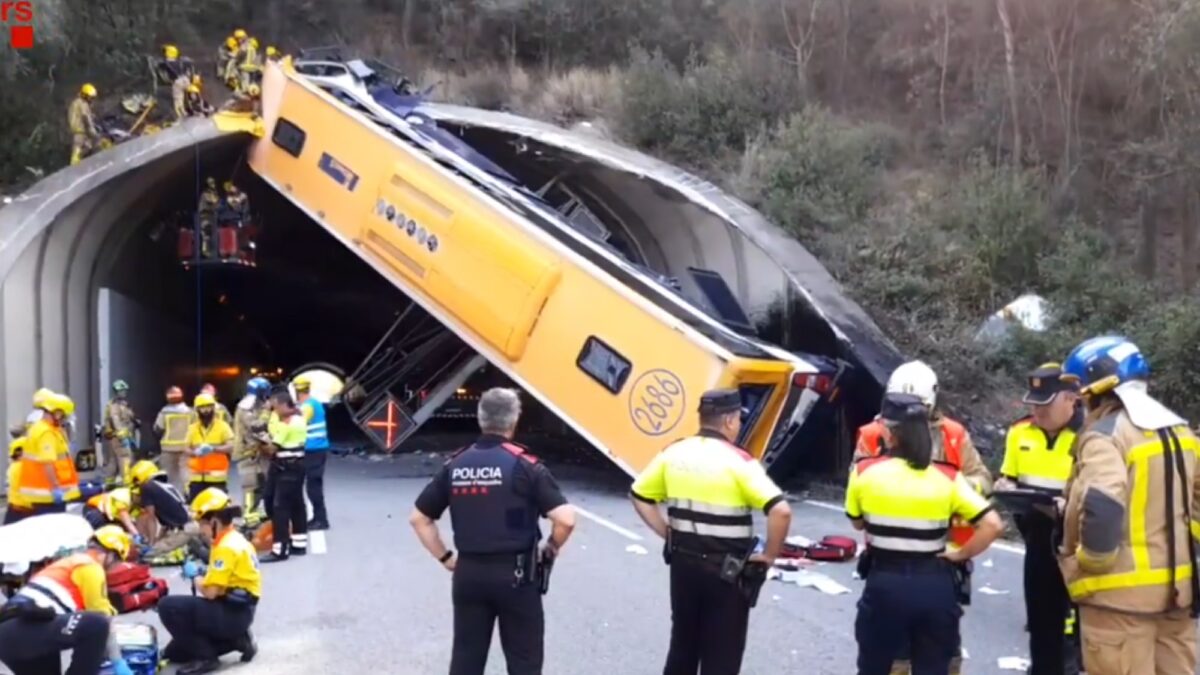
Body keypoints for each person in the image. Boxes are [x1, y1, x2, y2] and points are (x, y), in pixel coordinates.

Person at [1058, 336, 1199, 675]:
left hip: (1117, 603)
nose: (1080, 400)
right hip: (1176, 596)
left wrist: (1090, 561)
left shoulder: (1104, 436)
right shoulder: (1179, 431)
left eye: (1082, 390)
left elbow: (1103, 501)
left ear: (1100, 386)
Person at [410, 387, 575, 675]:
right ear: (515, 420)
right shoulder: (525, 466)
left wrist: (446, 558)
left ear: (480, 418)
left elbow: (419, 518)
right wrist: (551, 547)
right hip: (517, 576)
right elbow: (566, 520)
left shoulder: (456, 464)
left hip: (469, 575)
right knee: (524, 661)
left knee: (466, 658)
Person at [629, 388, 790, 675]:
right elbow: (780, 510)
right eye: (738, 420)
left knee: (683, 646)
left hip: (683, 566)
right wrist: (768, 556)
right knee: (722, 654)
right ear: (729, 421)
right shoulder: (739, 462)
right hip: (726, 573)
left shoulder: (673, 452)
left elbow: (639, 495)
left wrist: (667, 531)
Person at [850, 392, 1004, 674]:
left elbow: (858, 523)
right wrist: (959, 554)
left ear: (888, 432)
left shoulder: (864, 472)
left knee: (875, 666)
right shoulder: (948, 476)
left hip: (884, 583)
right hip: (935, 584)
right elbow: (992, 524)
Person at [995, 363, 1083, 675]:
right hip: (1036, 537)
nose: (1037, 411)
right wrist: (1004, 487)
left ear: (1071, 399)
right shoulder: (1020, 432)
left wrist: (1067, 505)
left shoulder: (1090, 436)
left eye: (1045, 404)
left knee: (1080, 633)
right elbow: (1009, 476)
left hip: (1079, 544)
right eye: (1033, 403)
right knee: (1042, 624)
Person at [0, 526, 135, 675]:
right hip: (26, 630)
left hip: (12, 635)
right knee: (97, 624)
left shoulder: (67, 563)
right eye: (115, 563)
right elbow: (102, 619)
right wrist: (117, 661)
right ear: (108, 555)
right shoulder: (90, 567)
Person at [158, 487, 259, 674]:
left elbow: (211, 592)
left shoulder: (225, 548)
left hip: (232, 612)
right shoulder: (234, 538)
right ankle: (237, 640)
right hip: (239, 610)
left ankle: (206, 658)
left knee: (168, 606)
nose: (201, 530)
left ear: (214, 521)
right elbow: (225, 578)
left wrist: (195, 575)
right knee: (174, 653)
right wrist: (205, 571)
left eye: (202, 524)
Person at [12, 393, 80, 520]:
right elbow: (48, 463)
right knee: (51, 532)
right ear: (57, 413)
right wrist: (55, 488)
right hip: (47, 495)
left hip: (43, 493)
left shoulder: (45, 428)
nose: (64, 420)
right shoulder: (46, 432)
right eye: (64, 416)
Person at [261, 391, 308, 562]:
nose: (273, 408)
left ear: (282, 404)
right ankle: (299, 543)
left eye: (274, 405)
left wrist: (261, 442)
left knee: (279, 506)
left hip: (287, 467)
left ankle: (280, 549)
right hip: (293, 465)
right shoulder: (298, 418)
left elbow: (273, 448)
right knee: (296, 504)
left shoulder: (290, 422)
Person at [129, 459, 196, 558]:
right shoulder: (165, 486)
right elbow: (166, 524)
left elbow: (151, 518)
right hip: (191, 525)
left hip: (183, 530)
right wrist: (158, 540)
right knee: (159, 545)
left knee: (148, 555)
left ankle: (189, 546)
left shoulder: (147, 487)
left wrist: (152, 545)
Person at [294, 375, 331, 530]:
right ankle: (318, 518)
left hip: (313, 450)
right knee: (313, 485)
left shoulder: (308, 406)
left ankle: (321, 520)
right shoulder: (314, 403)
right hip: (317, 449)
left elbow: (298, 423)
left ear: (297, 391)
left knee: (313, 486)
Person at [186, 393, 235, 501]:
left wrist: (214, 449)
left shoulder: (223, 426)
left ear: (214, 408)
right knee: (195, 512)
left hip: (217, 480)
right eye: (202, 408)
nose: (206, 411)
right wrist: (194, 453)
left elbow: (231, 446)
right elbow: (185, 448)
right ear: (197, 410)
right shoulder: (192, 428)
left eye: (209, 407)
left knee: (219, 513)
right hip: (196, 480)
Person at [233, 377, 271, 514]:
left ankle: (254, 513)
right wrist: (267, 413)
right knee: (250, 487)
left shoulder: (256, 405)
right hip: (248, 454)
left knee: (262, 486)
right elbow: (256, 427)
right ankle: (248, 516)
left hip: (258, 454)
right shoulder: (246, 408)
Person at [154, 385, 193, 489]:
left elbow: (158, 428)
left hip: (168, 448)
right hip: (186, 447)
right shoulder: (190, 412)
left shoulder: (164, 412)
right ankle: (188, 493)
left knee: (168, 474)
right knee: (186, 473)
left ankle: (170, 495)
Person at [102, 379, 138, 487]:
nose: (124, 393)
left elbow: (129, 417)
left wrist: (135, 422)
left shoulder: (123, 405)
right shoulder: (115, 406)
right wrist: (122, 434)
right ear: (117, 392)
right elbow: (115, 420)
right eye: (121, 391)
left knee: (113, 460)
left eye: (124, 390)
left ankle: (109, 482)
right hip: (119, 437)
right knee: (125, 458)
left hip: (117, 437)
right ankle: (127, 482)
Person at [68, 84, 100, 165]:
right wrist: (92, 131)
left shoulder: (75, 102)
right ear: (85, 95)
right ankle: (74, 167)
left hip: (78, 130)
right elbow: (86, 118)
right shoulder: (82, 104)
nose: (92, 100)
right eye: (90, 97)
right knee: (77, 149)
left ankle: (82, 164)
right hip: (80, 131)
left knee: (87, 146)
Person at [197, 178, 221, 259]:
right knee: (206, 234)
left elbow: (217, 205)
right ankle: (205, 252)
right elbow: (214, 201)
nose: (213, 184)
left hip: (211, 216)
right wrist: (218, 199)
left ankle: (211, 251)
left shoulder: (212, 193)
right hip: (205, 216)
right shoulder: (206, 194)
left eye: (213, 183)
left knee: (211, 234)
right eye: (211, 183)